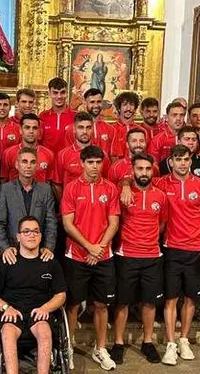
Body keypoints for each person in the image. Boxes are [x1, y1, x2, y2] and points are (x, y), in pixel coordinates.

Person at [61, 145, 120, 371]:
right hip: (77, 256)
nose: (95, 167)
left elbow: (113, 223)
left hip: (103, 257)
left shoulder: (111, 189)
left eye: (98, 162)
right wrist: (88, 247)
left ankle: (100, 348)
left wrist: (99, 248)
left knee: (101, 304)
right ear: (82, 163)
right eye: (90, 163)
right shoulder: (72, 188)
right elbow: (68, 223)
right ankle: (68, 347)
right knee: (73, 304)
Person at [154, 145, 200, 365]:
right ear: (170, 161)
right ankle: (170, 343)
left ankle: (184, 339)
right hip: (170, 249)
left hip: (196, 250)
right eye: (178, 159)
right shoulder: (160, 184)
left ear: (191, 161)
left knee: (190, 298)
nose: (182, 163)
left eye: (186, 159)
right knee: (171, 299)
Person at [0, 216, 67, 374]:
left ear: (41, 236)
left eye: (36, 231)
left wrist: (46, 308)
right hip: (13, 313)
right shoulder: (8, 262)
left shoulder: (50, 263)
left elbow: (61, 295)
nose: (32, 235)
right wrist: (5, 307)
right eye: (26, 231)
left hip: (39, 313)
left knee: (44, 330)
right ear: (18, 236)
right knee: (8, 331)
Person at [110, 153, 165, 364]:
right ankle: (118, 343)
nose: (144, 173)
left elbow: (162, 224)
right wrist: (124, 184)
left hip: (152, 256)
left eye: (147, 169)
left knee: (149, 302)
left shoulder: (160, 196)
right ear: (132, 171)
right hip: (127, 256)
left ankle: (148, 341)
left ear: (152, 171)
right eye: (140, 169)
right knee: (122, 303)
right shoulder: (122, 193)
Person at [0, 147, 58, 264]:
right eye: (24, 161)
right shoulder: (6, 190)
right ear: (17, 165)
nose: (28, 166)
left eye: (32, 162)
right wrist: (5, 248)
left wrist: (49, 247)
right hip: (13, 253)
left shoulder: (45, 190)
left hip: (39, 253)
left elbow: (51, 222)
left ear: (36, 165)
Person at [53, 112, 106, 200]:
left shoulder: (102, 155)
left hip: (96, 206)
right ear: (74, 129)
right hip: (71, 209)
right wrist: (65, 204)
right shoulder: (63, 155)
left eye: (88, 128)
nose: (85, 131)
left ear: (92, 129)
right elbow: (57, 184)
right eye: (80, 127)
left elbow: (106, 181)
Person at [0, 114, 55, 182]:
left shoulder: (49, 154)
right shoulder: (8, 153)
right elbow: (3, 180)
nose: (31, 131)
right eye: (27, 127)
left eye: (34, 128)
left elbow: (49, 181)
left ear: (38, 131)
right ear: (20, 130)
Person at [64, 89, 117, 156]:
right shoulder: (71, 129)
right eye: (92, 102)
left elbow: (113, 159)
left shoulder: (111, 130)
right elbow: (68, 155)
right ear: (85, 103)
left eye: (99, 102)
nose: (96, 105)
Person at [39, 78, 76, 155]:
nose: (59, 96)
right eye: (55, 93)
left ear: (67, 93)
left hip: (69, 161)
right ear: (49, 93)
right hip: (47, 162)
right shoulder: (42, 117)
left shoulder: (76, 117)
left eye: (62, 92)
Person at [111, 91, 148, 160]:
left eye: (131, 105)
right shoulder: (112, 130)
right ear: (119, 108)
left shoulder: (142, 131)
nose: (128, 108)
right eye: (125, 105)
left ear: (135, 108)